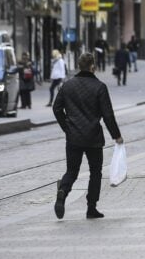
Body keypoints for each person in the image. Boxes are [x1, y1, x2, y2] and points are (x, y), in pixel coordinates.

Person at [52, 52, 123, 220]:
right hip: (93, 138)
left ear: (78, 66)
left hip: (73, 137)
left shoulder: (67, 86)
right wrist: (116, 136)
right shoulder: (100, 87)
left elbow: (56, 108)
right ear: (93, 67)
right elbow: (108, 115)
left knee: (72, 171)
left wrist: (67, 128)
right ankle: (91, 207)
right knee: (95, 172)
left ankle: (63, 191)